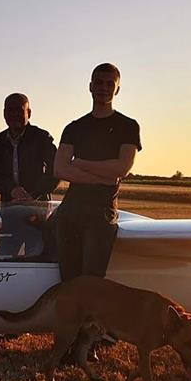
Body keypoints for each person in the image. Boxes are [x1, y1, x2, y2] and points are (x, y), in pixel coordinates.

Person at [53, 63, 140, 281]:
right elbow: (59, 168)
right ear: (90, 86)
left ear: (117, 89)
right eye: (99, 83)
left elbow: (122, 168)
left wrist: (80, 162)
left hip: (101, 214)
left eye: (110, 84)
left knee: (91, 282)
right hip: (70, 211)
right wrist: (104, 176)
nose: (104, 88)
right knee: (69, 281)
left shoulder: (128, 126)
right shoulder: (74, 127)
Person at [0, 92, 59, 257]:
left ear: (29, 113)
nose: (14, 115)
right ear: (4, 113)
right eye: (10, 110)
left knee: (35, 261)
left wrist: (33, 195)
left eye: (19, 110)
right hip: (9, 214)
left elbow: (55, 172)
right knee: (4, 261)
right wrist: (12, 190)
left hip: (37, 215)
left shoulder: (42, 137)